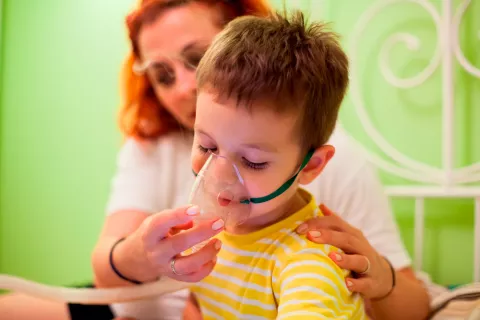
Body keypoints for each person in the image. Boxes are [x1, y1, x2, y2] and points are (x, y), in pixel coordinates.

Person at [0, 0, 431, 319]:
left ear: (312, 167)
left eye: (194, 58)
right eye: (162, 73)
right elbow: (109, 275)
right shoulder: (151, 148)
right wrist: (139, 254)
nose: (219, 177)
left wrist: (381, 275)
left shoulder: (309, 247)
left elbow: (414, 304)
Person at [185, 9, 368, 319]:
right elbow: (198, 306)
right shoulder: (209, 230)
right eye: (207, 146)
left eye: (253, 162)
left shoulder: (308, 266)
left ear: (310, 166)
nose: (218, 177)